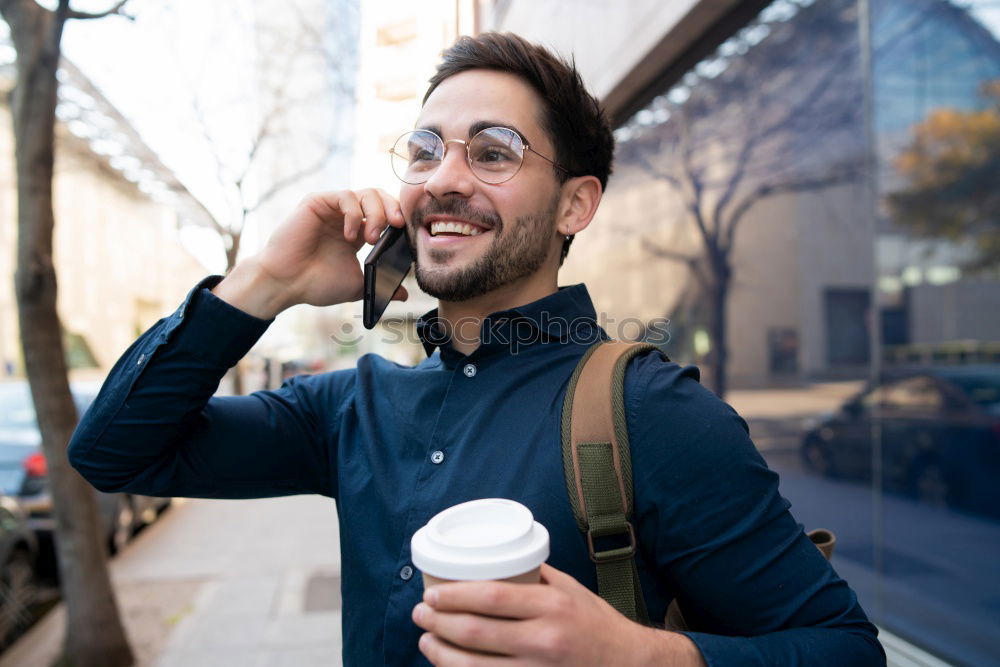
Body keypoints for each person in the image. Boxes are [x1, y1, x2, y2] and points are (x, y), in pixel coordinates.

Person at [69, 32, 885, 666]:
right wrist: (264, 282)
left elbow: (844, 646)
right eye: (426, 150)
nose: (443, 179)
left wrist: (638, 652)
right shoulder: (352, 408)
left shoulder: (654, 412)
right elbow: (113, 453)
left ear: (575, 205)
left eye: (492, 151)